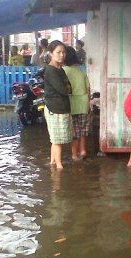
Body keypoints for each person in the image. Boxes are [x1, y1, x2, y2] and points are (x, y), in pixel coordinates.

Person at [44, 40, 73, 169]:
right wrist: (66, 87)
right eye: (58, 52)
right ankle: (59, 167)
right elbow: (63, 89)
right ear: (51, 53)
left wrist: (66, 88)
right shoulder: (51, 71)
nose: (62, 55)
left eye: (63, 52)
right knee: (57, 141)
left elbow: (69, 88)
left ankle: (52, 163)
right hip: (55, 109)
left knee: (56, 139)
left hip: (61, 108)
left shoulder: (60, 70)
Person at [63, 46, 91, 160]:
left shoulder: (63, 71)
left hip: (71, 105)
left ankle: (74, 155)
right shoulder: (81, 71)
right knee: (83, 130)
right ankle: (83, 151)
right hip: (83, 104)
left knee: (75, 131)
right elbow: (88, 90)